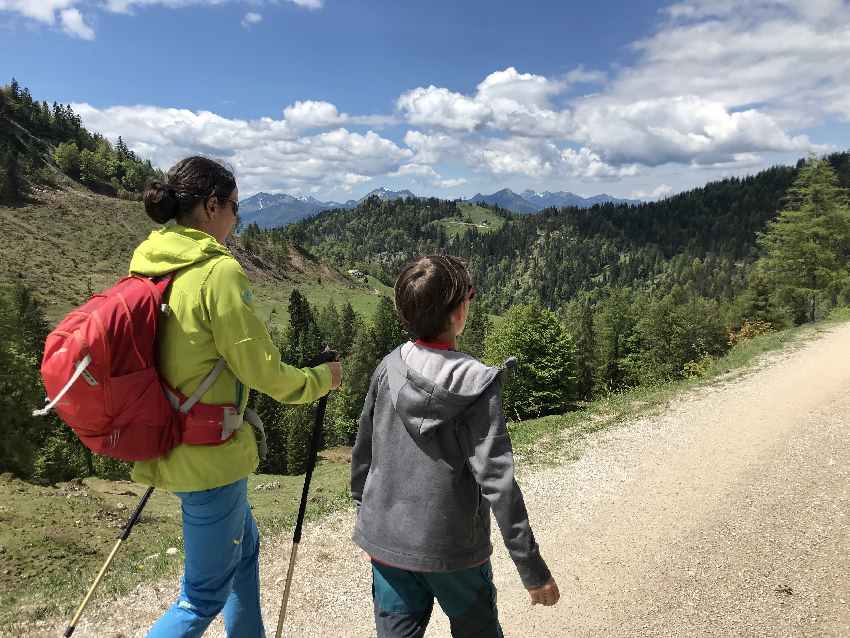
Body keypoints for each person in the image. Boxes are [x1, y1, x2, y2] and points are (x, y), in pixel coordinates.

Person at [133, 156, 342, 637]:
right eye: (234, 206)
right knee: (201, 596)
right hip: (209, 455)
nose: (237, 217)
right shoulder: (217, 273)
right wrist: (322, 379)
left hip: (173, 437)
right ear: (211, 206)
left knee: (244, 550)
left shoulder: (152, 263)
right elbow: (264, 373)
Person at [351, 254, 559, 638]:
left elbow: (363, 453)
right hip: (454, 550)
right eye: (470, 295)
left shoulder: (387, 368)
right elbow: (499, 482)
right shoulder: (477, 384)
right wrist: (532, 570)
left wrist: (368, 521)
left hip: (387, 544)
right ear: (458, 311)